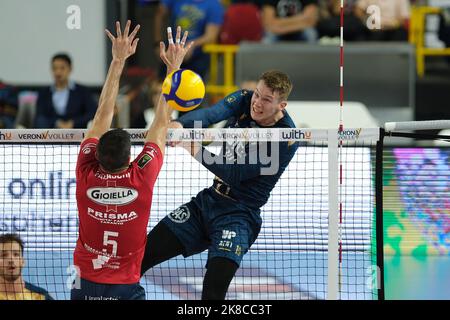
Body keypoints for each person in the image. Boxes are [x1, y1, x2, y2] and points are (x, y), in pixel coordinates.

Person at [140, 70, 300, 300]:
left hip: (239, 215)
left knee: (213, 292)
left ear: (281, 104)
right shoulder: (244, 99)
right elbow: (211, 114)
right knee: (142, 255)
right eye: (257, 94)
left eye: (266, 100)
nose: (257, 103)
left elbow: (235, 173)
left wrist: (192, 147)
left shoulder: (285, 137)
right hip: (208, 202)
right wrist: (180, 125)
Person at [70, 22, 193, 300]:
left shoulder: (86, 171)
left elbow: (103, 114)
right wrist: (173, 69)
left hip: (84, 280)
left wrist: (117, 60)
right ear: (131, 159)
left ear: (96, 155)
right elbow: (161, 123)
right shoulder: (141, 176)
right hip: (125, 285)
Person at [153, 0, 224, 80]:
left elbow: (211, 36)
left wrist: (191, 45)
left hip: (196, 57)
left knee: (189, 88)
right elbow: (159, 13)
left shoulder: (213, 5)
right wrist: (157, 42)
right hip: (171, 52)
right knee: (163, 85)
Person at [34, 53, 97, 129]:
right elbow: (40, 115)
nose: (58, 72)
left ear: (70, 69)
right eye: (54, 68)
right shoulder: (44, 93)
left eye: (62, 68)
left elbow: (92, 113)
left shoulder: (82, 91)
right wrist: (56, 122)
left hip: (76, 132)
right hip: (51, 134)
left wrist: (73, 123)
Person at [0, 233, 53, 300]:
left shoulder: (41, 296)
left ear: (23, 262)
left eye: (16, 254)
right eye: (4, 255)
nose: (11, 260)